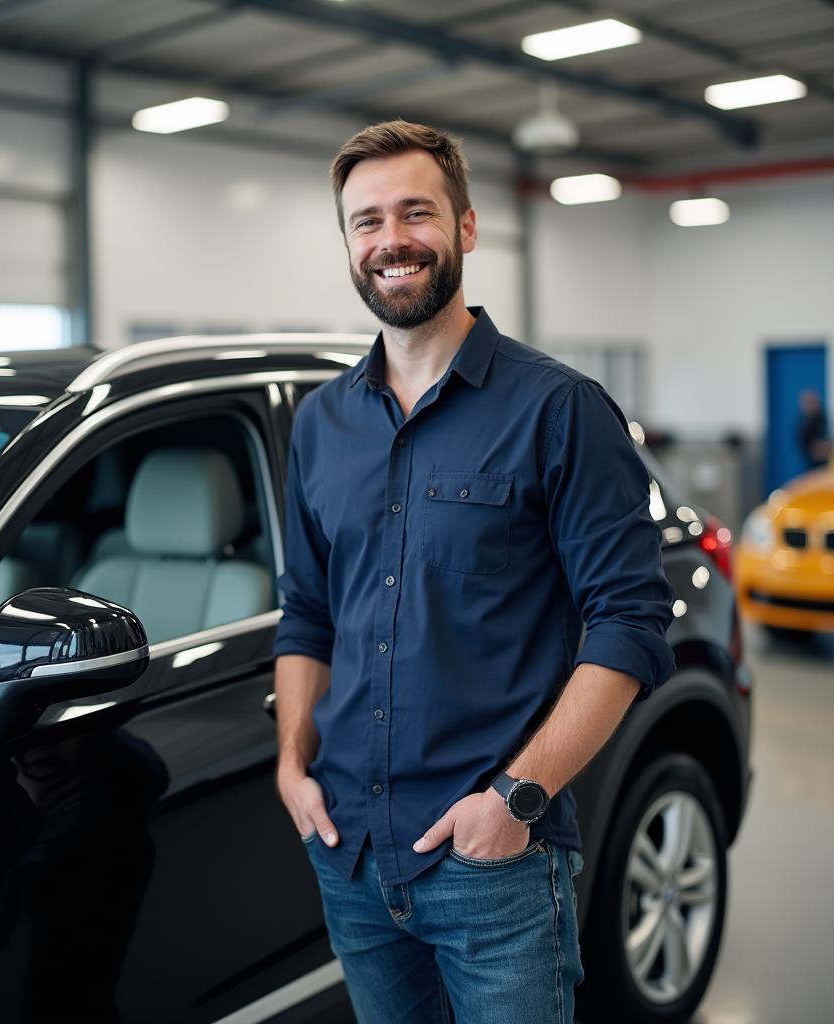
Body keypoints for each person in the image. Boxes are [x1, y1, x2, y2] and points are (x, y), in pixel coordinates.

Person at [272, 119, 675, 1024]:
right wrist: (291, 764)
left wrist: (516, 799)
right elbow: (304, 611)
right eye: (366, 221)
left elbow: (629, 624)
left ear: (466, 226)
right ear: (347, 243)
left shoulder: (558, 410)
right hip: (351, 859)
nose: (392, 240)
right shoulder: (321, 425)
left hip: (493, 865)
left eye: (416, 212)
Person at [797, 388, 830, 470]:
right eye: (806, 402)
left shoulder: (826, 418)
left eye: (811, 401)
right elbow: (810, 448)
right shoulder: (804, 425)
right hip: (815, 467)